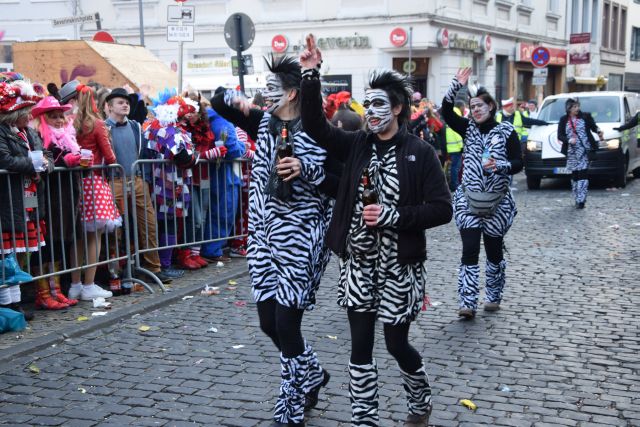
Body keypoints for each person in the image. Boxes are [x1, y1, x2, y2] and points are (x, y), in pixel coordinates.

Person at [300, 34, 452, 427]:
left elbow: (442, 209)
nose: (370, 112)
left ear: (398, 108)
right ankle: (364, 420)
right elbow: (316, 126)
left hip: (400, 266)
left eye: (378, 104)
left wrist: (393, 216)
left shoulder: (420, 153)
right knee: (360, 348)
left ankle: (420, 400)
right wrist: (311, 75)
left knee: (396, 344)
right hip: (358, 264)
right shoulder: (357, 145)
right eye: (366, 105)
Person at [211, 55, 333, 426]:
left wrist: (306, 169)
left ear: (292, 93)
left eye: (272, 88)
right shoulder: (263, 121)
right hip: (263, 235)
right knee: (268, 322)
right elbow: (217, 103)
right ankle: (313, 373)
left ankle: (291, 405)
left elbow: (338, 184)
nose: (265, 94)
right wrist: (234, 99)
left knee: (286, 324)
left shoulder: (319, 130)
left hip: (302, 236)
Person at [441, 68, 522, 319]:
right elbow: (446, 111)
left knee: (494, 252)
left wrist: (501, 166)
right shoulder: (467, 128)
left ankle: (494, 295)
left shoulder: (506, 131)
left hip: (497, 203)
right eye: (472, 106)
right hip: (468, 200)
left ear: (491, 107)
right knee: (470, 250)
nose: (475, 110)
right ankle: (467, 302)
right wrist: (456, 85)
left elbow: (519, 163)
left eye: (479, 106)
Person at [104, 87, 182, 283]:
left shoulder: (135, 127)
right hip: (114, 181)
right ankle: (116, 272)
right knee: (115, 230)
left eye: (127, 102)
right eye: (120, 102)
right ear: (109, 107)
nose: (125, 105)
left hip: (138, 180)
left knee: (148, 224)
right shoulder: (104, 128)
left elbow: (144, 153)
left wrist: (145, 179)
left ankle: (153, 268)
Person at [0, 75, 50, 321]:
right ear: (14, 112)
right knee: (6, 254)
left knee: (20, 254)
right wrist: (32, 165)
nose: (30, 115)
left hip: (29, 199)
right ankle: (8, 304)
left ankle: (17, 302)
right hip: (9, 200)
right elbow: (5, 159)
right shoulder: (2, 132)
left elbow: (46, 154)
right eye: (26, 111)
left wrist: (46, 165)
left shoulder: (29, 132)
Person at [68, 84, 121, 301]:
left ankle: (75, 284)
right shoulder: (97, 124)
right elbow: (110, 157)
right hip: (95, 183)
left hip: (75, 183)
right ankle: (89, 285)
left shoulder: (71, 123)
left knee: (78, 236)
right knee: (94, 236)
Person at [32, 96, 82, 309]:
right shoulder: (38, 136)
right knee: (47, 243)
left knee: (62, 242)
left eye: (61, 116)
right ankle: (43, 294)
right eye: (53, 117)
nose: (59, 120)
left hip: (67, 197)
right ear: (44, 119)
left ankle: (56, 290)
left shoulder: (68, 136)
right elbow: (43, 161)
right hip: (49, 197)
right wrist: (64, 160)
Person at [143, 93, 198, 278]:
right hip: (169, 185)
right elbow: (183, 158)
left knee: (161, 224)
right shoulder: (169, 131)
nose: (185, 119)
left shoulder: (152, 128)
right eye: (183, 115)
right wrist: (195, 157)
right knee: (168, 224)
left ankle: (161, 263)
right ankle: (164, 265)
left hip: (158, 183)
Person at [557, 97, 603, 209]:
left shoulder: (585, 116)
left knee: (583, 173)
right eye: (574, 107)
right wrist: (569, 140)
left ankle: (582, 200)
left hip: (584, 150)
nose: (577, 108)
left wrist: (599, 131)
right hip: (571, 151)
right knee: (575, 175)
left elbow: (594, 127)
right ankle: (577, 197)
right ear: (569, 109)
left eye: (578, 106)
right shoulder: (563, 119)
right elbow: (560, 135)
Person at [444, 100, 465, 190]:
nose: (464, 109)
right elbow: (457, 133)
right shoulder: (457, 115)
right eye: (464, 107)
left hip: (451, 146)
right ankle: (454, 185)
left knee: (454, 167)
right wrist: (461, 146)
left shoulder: (452, 114)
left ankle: (454, 184)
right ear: (461, 107)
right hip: (456, 147)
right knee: (456, 167)